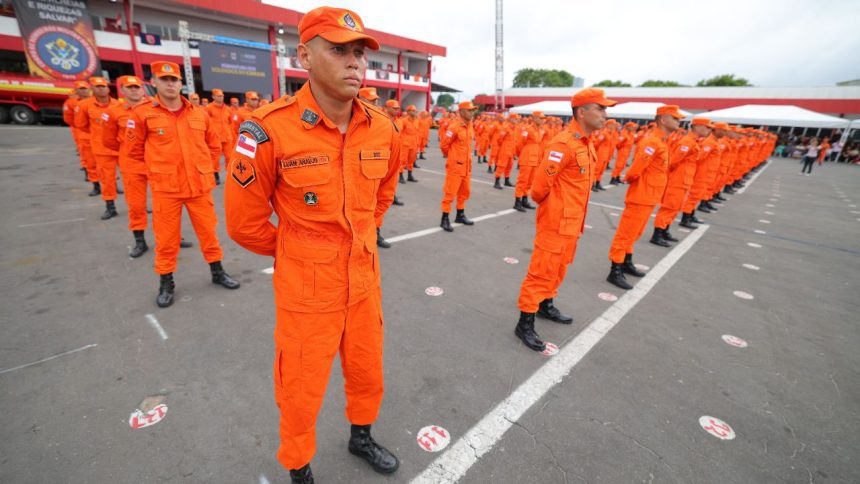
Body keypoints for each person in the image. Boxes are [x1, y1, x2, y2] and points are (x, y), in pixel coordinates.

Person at [224, 7, 401, 482]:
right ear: (304, 55)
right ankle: (299, 466)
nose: (354, 63)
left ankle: (360, 435)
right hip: (307, 290)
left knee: (367, 369)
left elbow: (382, 195)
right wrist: (300, 250)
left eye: (359, 52)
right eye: (338, 50)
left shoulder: (382, 126)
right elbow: (244, 224)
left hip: (363, 280)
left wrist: (357, 240)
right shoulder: (265, 130)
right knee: (300, 387)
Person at [126, 61, 240, 307]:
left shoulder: (199, 114)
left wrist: (205, 168)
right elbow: (133, 152)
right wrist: (158, 172)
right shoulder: (142, 114)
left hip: (199, 187)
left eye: (173, 79)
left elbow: (213, 146)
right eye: (164, 79)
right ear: (154, 82)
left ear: (181, 83)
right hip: (166, 190)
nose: (169, 84)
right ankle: (166, 282)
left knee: (209, 234)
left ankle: (217, 272)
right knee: (166, 241)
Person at [514, 88, 616, 351]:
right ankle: (525, 322)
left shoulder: (585, 141)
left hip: (572, 221)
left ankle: (545, 305)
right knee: (542, 270)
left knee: (558, 268)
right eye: (601, 108)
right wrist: (554, 208)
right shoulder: (563, 143)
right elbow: (538, 188)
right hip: (556, 221)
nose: (605, 114)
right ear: (582, 112)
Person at [606, 105, 684, 290]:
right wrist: (630, 179)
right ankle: (615, 269)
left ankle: (626, 261)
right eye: (675, 118)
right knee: (626, 234)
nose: (679, 122)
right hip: (641, 194)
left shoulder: (661, 141)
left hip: (650, 195)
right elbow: (637, 168)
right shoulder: (652, 142)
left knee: (635, 232)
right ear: (664, 120)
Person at [102, 75, 154, 257]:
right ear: (122, 90)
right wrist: (127, 150)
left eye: (137, 87)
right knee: (136, 205)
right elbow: (108, 140)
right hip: (132, 165)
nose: (134, 90)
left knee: (167, 205)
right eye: (129, 87)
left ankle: (173, 237)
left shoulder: (156, 106)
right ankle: (140, 241)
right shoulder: (113, 112)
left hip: (157, 163)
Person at [652, 117, 711, 244]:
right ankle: (657, 234)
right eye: (707, 127)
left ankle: (664, 231)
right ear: (698, 127)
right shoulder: (687, 142)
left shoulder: (692, 141)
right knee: (668, 207)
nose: (709, 130)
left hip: (683, 181)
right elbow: (673, 161)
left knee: (674, 208)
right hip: (677, 180)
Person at [74, 76, 122, 219]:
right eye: (98, 86)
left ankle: (140, 206)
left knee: (133, 178)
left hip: (121, 147)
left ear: (108, 88)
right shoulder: (85, 105)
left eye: (103, 86)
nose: (101, 89)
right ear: (92, 89)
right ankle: (110, 206)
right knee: (106, 179)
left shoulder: (118, 104)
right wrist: (98, 135)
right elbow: (81, 125)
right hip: (102, 149)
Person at [439, 101, 478, 232]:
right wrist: (451, 157)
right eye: (469, 110)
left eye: (473, 110)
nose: (472, 113)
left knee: (464, 192)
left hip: (467, 166)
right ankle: (444, 218)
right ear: (461, 111)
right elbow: (444, 145)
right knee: (450, 193)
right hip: (455, 166)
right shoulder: (454, 127)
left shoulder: (470, 125)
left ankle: (460, 214)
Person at [513, 111, 546, 212]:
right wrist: (519, 155)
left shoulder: (540, 130)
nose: (542, 120)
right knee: (522, 181)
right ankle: (517, 202)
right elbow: (519, 143)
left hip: (535, 159)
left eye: (543, 118)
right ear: (534, 118)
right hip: (527, 158)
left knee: (530, 182)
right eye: (540, 118)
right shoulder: (527, 129)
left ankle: (524, 200)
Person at [205, 88, 235, 185]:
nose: (220, 97)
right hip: (215, 138)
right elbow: (206, 122)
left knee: (230, 157)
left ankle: (231, 175)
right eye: (218, 96)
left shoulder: (228, 109)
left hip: (227, 137)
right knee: (215, 158)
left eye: (221, 96)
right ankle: (215, 175)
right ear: (213, 96)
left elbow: (231, 122)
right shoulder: (209, 108)